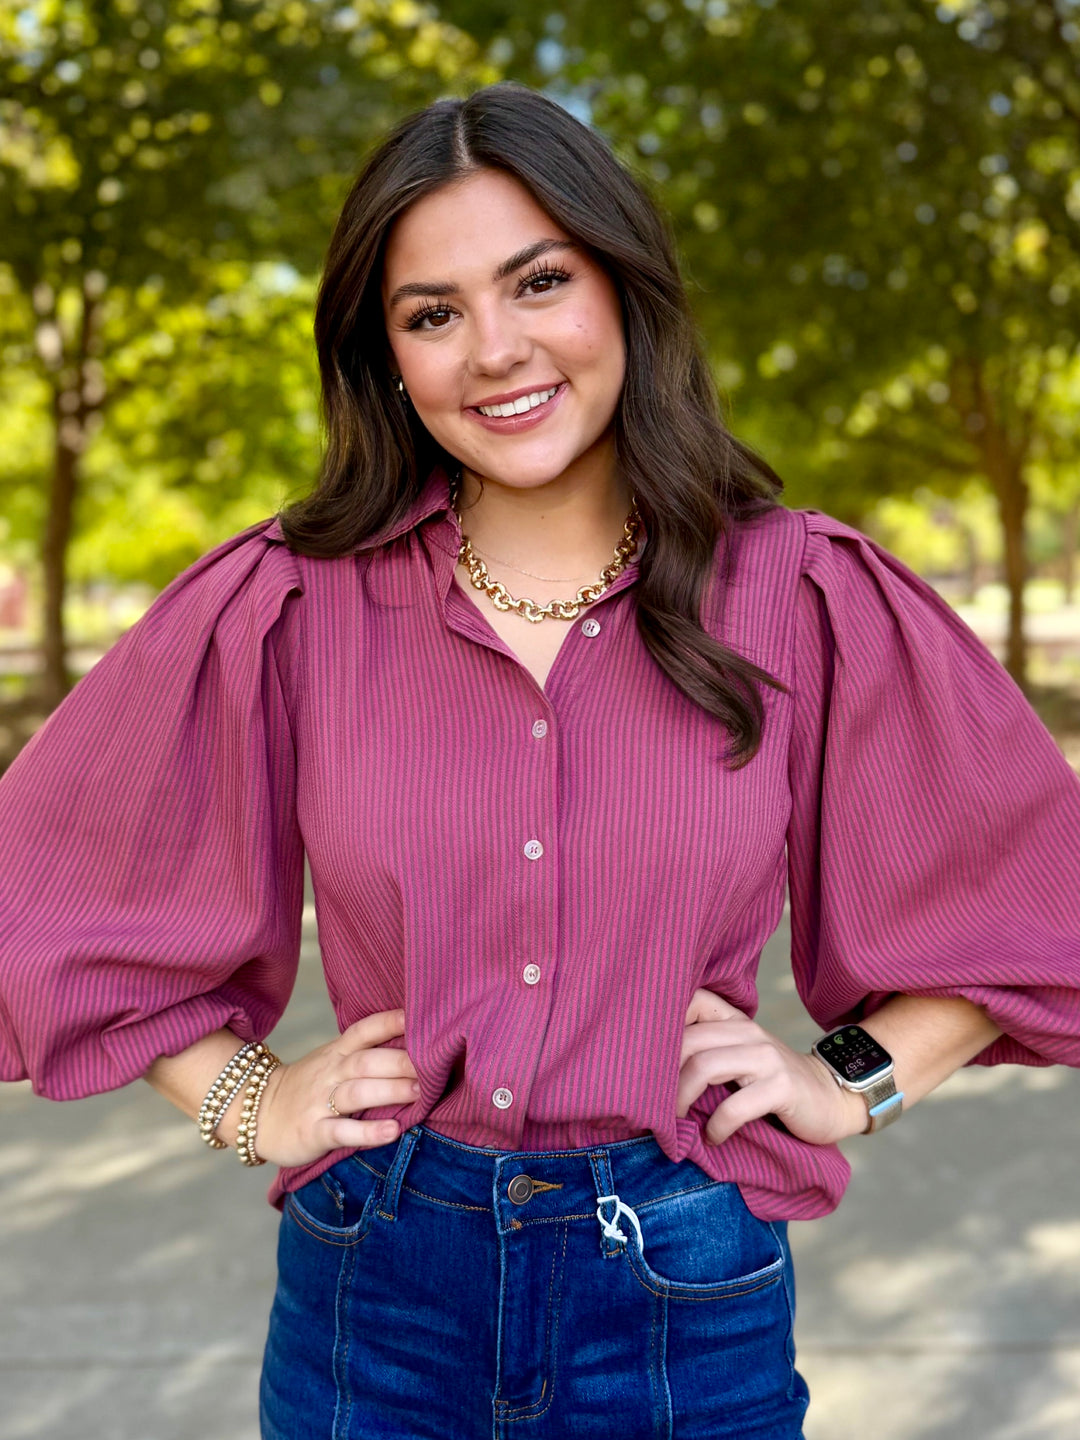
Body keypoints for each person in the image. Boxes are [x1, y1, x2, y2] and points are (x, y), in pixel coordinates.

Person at [1, 80, 1078, 1440]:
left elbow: (1033, 886)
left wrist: (850, 1081)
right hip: (378, 1297)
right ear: (386, 355)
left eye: (539, 281)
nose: (494, 350)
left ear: (624, 289)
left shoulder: (801, 591)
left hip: (687, 1292)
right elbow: (38, 886)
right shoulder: (289, 601)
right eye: (433, 313)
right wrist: (242, 1095)